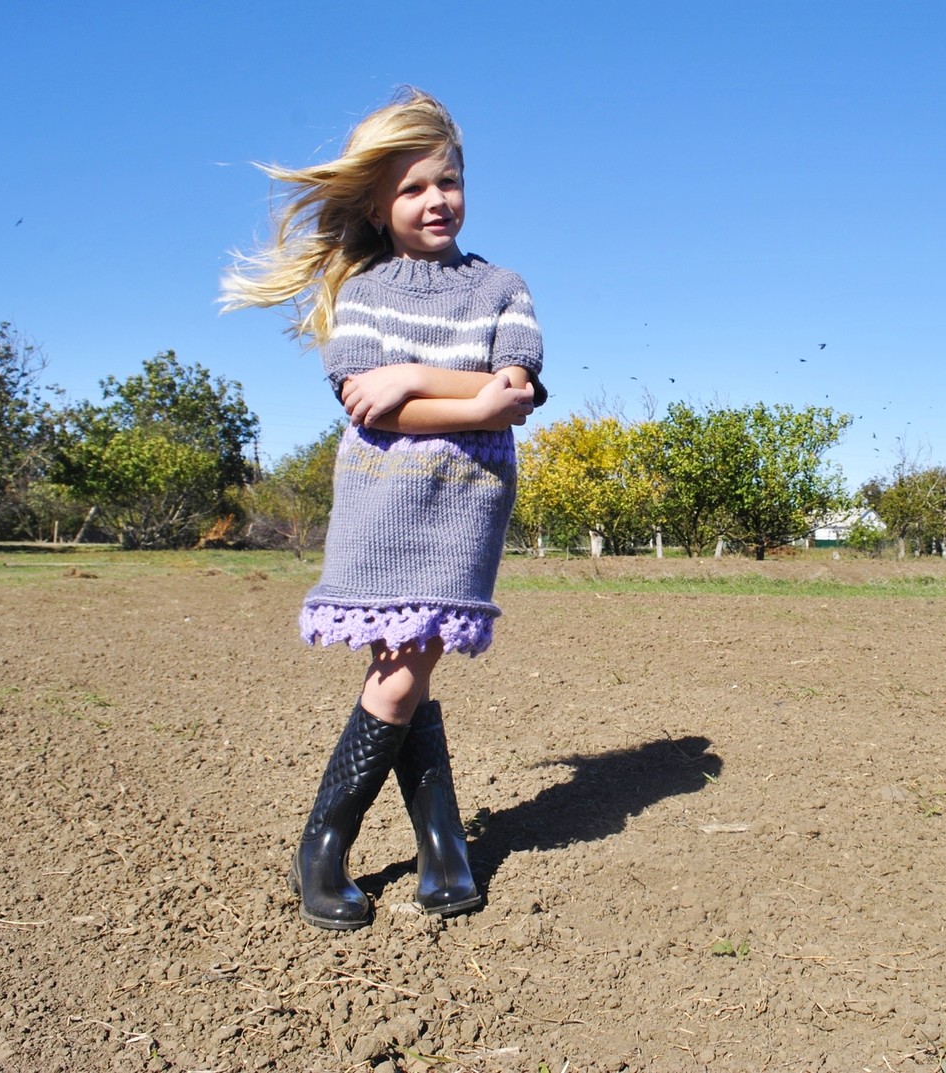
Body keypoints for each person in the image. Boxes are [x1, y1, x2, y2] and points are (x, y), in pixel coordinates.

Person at [222, 88, 544, 929]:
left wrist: (415, 376)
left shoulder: (502, 287)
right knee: (402, 670)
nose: (435, 200)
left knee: (410, 669)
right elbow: (374, 409)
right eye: (411, 188)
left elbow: (519, 386)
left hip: (466, 507)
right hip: (383, 505)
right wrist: (464, 402)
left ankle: (422, 846)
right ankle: (343, 845)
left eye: (449, 180)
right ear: (375, 202)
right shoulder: (362, 294)